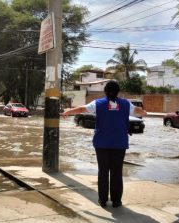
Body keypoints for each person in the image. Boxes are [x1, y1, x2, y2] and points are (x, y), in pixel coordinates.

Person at [61, 80, 147, 208]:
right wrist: (145, 112)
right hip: (119, 143)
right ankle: (116, 201)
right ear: (118, 92)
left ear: (105, 91)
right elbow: (138, 111)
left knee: (103, 171)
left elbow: (81, 109)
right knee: (117, 172)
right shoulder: (125, 104)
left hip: (101, 143)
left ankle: (102, 200)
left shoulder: (97, 103)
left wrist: (68, 112)